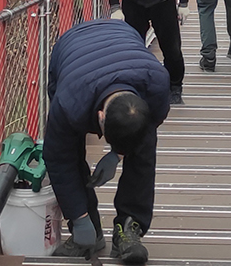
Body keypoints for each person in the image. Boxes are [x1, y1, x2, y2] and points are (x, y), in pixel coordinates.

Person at [44, 18, 170, 263]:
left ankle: (129, 227)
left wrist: (117, 154)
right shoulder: (69, 101)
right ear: (99, 118)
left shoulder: (156, 83)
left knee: (143, 144)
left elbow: (145, 132)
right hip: (70, 48)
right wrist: (77, 217)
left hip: (122, 36)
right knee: (68, 149)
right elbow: (58, 158)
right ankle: (87, 227)